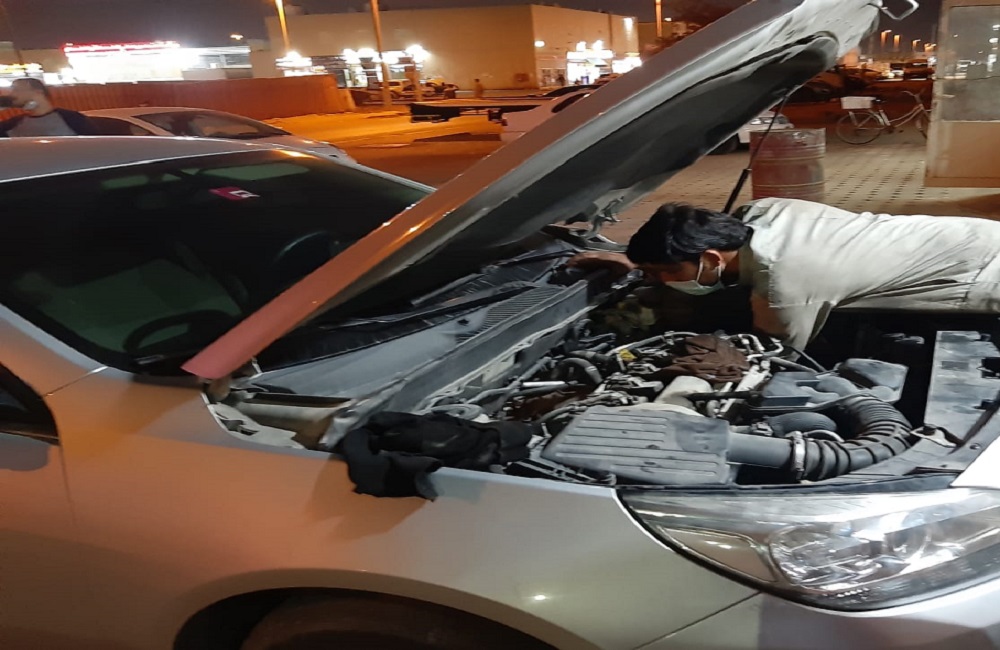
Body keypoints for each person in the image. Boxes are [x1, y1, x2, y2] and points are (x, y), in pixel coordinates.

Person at [570, 198, 1000, 350]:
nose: (662, 281)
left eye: (665, 271)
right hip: (965, 234)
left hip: (981, 271)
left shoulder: (786, 286)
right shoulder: (763, 211)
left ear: (713, 259)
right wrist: (637, 265)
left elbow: (776, 355)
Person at [0, 78, 97, 137]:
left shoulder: (72, 119)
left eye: (16, 90)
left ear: (38, 92)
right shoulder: (13, 124)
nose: (11, 94)